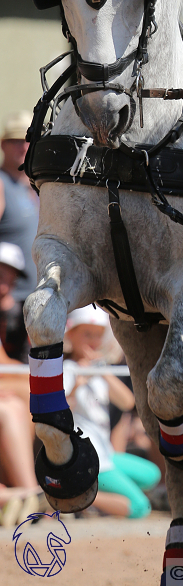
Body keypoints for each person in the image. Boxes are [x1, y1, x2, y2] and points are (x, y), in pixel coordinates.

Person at [64, 306, 161, 518]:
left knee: (152, 475)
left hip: (105, 454)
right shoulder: (67, 369)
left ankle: (86, 493)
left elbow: (127, 402)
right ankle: (74, 495)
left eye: (97, 335)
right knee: (140, 508)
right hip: (89, 457)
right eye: (87, 334)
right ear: (71, 335)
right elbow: (60, 410)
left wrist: (99, 369)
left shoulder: (98, 369)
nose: (93, 340)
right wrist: (78, 384)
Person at [0, 241, 40, 525]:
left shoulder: (24, 312)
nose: (5, 278)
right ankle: (31, 493)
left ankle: (28, 493)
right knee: (13, 404)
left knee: (21, 400)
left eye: (8, 273)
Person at [0, 112, 39, 361]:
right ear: (3, 145)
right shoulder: (1, 184)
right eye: (16, 140)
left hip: (36, 301)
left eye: (28, 140)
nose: (23, 146)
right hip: (9, 304)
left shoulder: (36, 186)